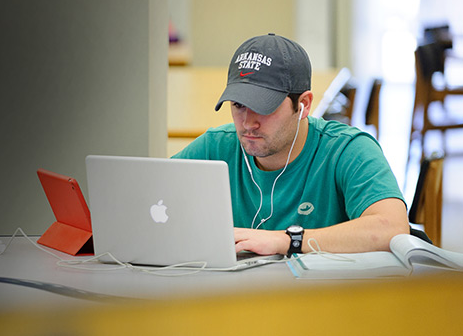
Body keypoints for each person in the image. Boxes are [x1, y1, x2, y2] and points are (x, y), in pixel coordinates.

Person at [172, 33, 410, 256]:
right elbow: (148, 199)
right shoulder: (216, 147)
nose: (248, 123)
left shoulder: (347, 150)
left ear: (304, 105)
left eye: (265, 107)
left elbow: (392, 229)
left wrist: (287, 240)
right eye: (238, 105)